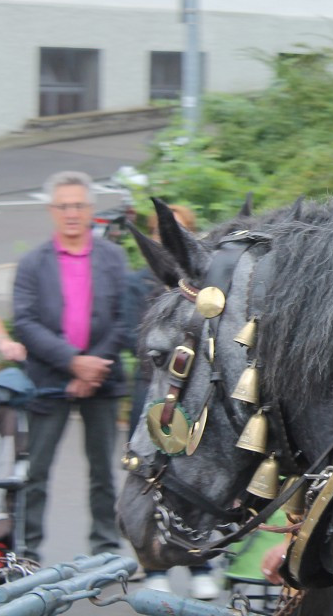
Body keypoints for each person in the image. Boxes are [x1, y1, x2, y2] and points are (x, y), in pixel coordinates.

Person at [11, 171, 128, 562]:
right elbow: (25, 323)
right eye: (64, 206)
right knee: (37, 473)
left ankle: (105, 549)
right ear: (52, 211)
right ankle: (28, 551)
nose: (72, 212)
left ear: (90, 210)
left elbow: (124, 317)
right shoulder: (32, 263)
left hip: (103, 382)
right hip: (48, 381)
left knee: (102, 473)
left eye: (79, 204)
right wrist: (73, 363)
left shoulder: (113, 257)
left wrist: (93, 369)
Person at [120, 205, 221, 599]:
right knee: (147, 475)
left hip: (190, 399)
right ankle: (153, 567)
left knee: (197, 478)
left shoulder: (206, 281)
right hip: (153, 391)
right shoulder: (139, 283)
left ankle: (201, 562)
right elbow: (140, 339)